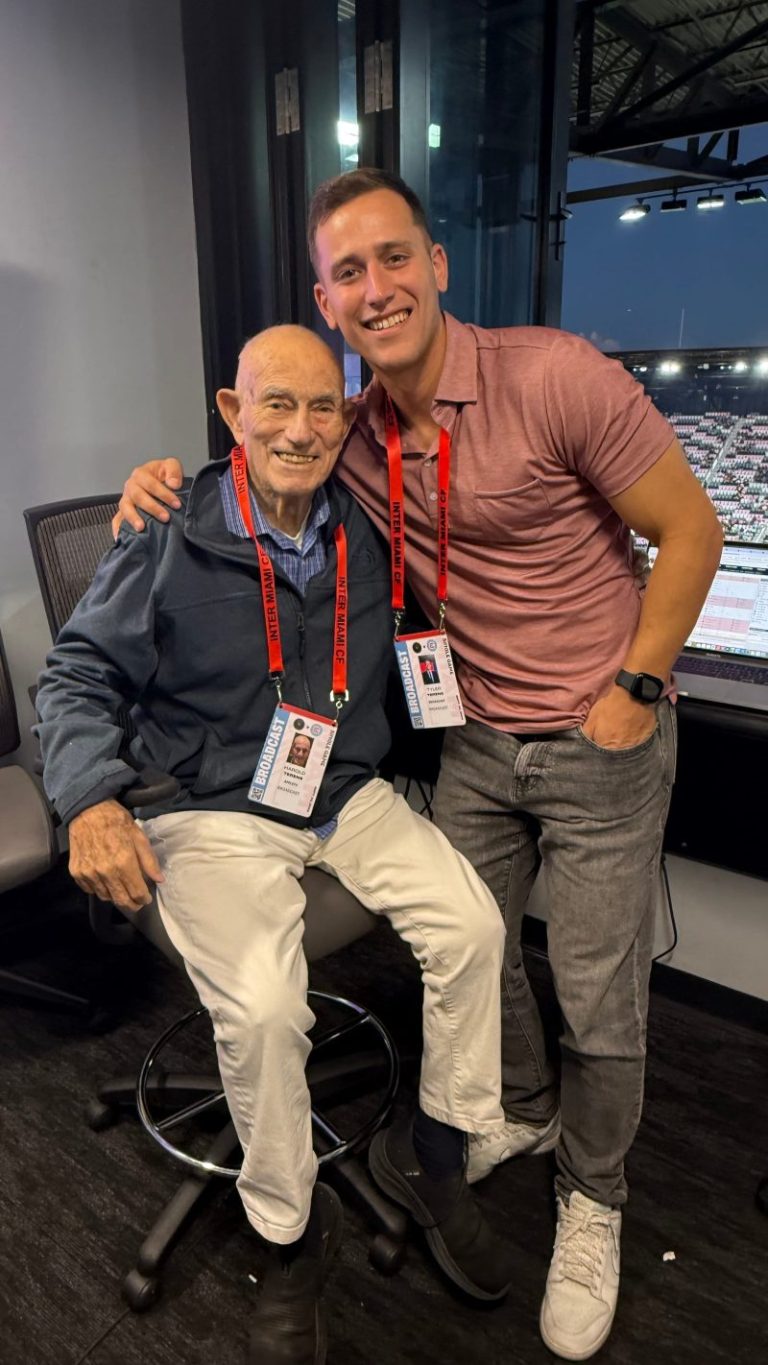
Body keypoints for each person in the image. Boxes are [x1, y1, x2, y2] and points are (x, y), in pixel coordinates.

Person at [116, 169, 723, 1361]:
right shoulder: (351, 432)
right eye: (350, 271)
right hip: (475, 744)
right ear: (327, 299)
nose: (375, 287)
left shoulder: (554, 376)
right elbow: (262, 453)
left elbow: (690, 529)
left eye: (395, 258)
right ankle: (516, 1116)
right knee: (482, 957)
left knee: (601, 999)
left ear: (438, 267)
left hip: (598, 734)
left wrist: (635, 691)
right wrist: (158, 481)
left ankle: (593, 1201)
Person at [35, 324, 516, 1365]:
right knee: (260, 1008)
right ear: (231, 412)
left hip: (345, 789)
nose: (300, 430)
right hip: (208, 806)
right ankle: (287, 1234)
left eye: (323, 408)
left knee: (475, 926)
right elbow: (74, 677)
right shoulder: (165, 527)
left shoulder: (368, 529)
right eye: (276, 406)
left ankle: (438, 1156)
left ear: (347, 420)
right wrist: (89, 803)